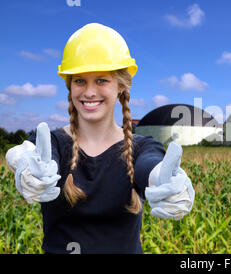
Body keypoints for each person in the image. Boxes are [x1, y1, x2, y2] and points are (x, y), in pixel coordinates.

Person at [5, 23, 195, 254]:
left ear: (121, 87)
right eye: (80, 80)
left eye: (101, 80)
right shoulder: (52, 143)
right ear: (70, 85)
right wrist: (22, 164)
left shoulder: (141, 148)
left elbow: (152, 168)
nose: (89, 92)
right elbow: (26, 153)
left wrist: (168, 183)